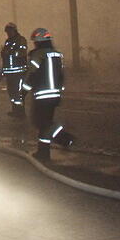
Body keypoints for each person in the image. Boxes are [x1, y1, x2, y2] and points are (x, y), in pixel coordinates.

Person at [22, 28, 75, 161]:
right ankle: (43, 152)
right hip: (54, 95)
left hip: (42, 95)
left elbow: (31, 74)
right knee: (45, 123)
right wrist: (59, 91)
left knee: (40, 122)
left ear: (38, 42)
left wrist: (23, 91)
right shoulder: (57, 55)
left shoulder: (37, 55)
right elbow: (61, 75)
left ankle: (65, 138)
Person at [0, 22, 28, 118]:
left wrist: (10, 52)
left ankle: (21, 112)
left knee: (18, 93)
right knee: (11, 92)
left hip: (19, 72)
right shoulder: (8, 41)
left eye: (9, 31)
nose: (8, 33)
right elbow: (4, 55)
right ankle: (15, 110)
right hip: (9, 72)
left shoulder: (21, 40)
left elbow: (22, 52)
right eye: (7, 31)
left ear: (14, 30)